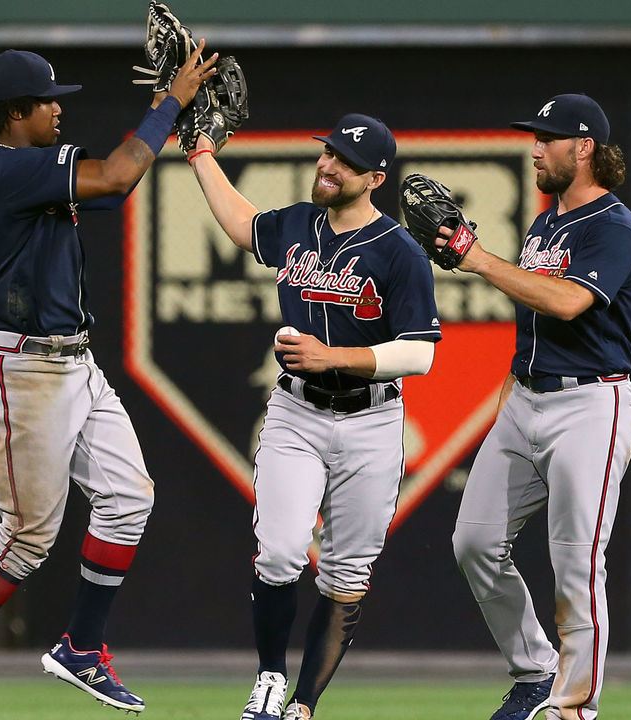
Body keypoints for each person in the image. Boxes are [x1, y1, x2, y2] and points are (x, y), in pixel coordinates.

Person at [0, 45, 218, 720]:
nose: (58, 107)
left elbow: (117, 180)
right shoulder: (11, 167)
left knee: (129, 498)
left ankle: (80, 646)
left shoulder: (27, 171)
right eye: (47, 100)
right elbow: (113, 175)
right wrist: (171, 103)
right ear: (14, 114)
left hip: (71, 362)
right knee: (27, 537)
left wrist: (187, 139)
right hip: (23, 371)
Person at [185, 115, 441, 720]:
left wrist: (337, 357)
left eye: (345, 162)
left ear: (374, 178)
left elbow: (421, 352)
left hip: (373, 423)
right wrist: (198, 153)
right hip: (296, 411)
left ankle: (302, 705)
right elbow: (244, 224)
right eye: (327, 154)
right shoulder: (298, 223)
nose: (328, 165)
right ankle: (270, 679)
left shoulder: (400, 252)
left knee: (346, 575)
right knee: (278, 553)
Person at [447, 94, 631, 720]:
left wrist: (476, 258)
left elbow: (566, 304)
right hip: (527, 398)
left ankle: (572, 710)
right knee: (474, 542)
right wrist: (507, 408)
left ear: (583, 148)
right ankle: (536, 670)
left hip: (592, 405)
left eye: (548, 137)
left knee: (576, 563)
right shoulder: (545, 224)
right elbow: (533, 330)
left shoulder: (614, 226)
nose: (536, 147)